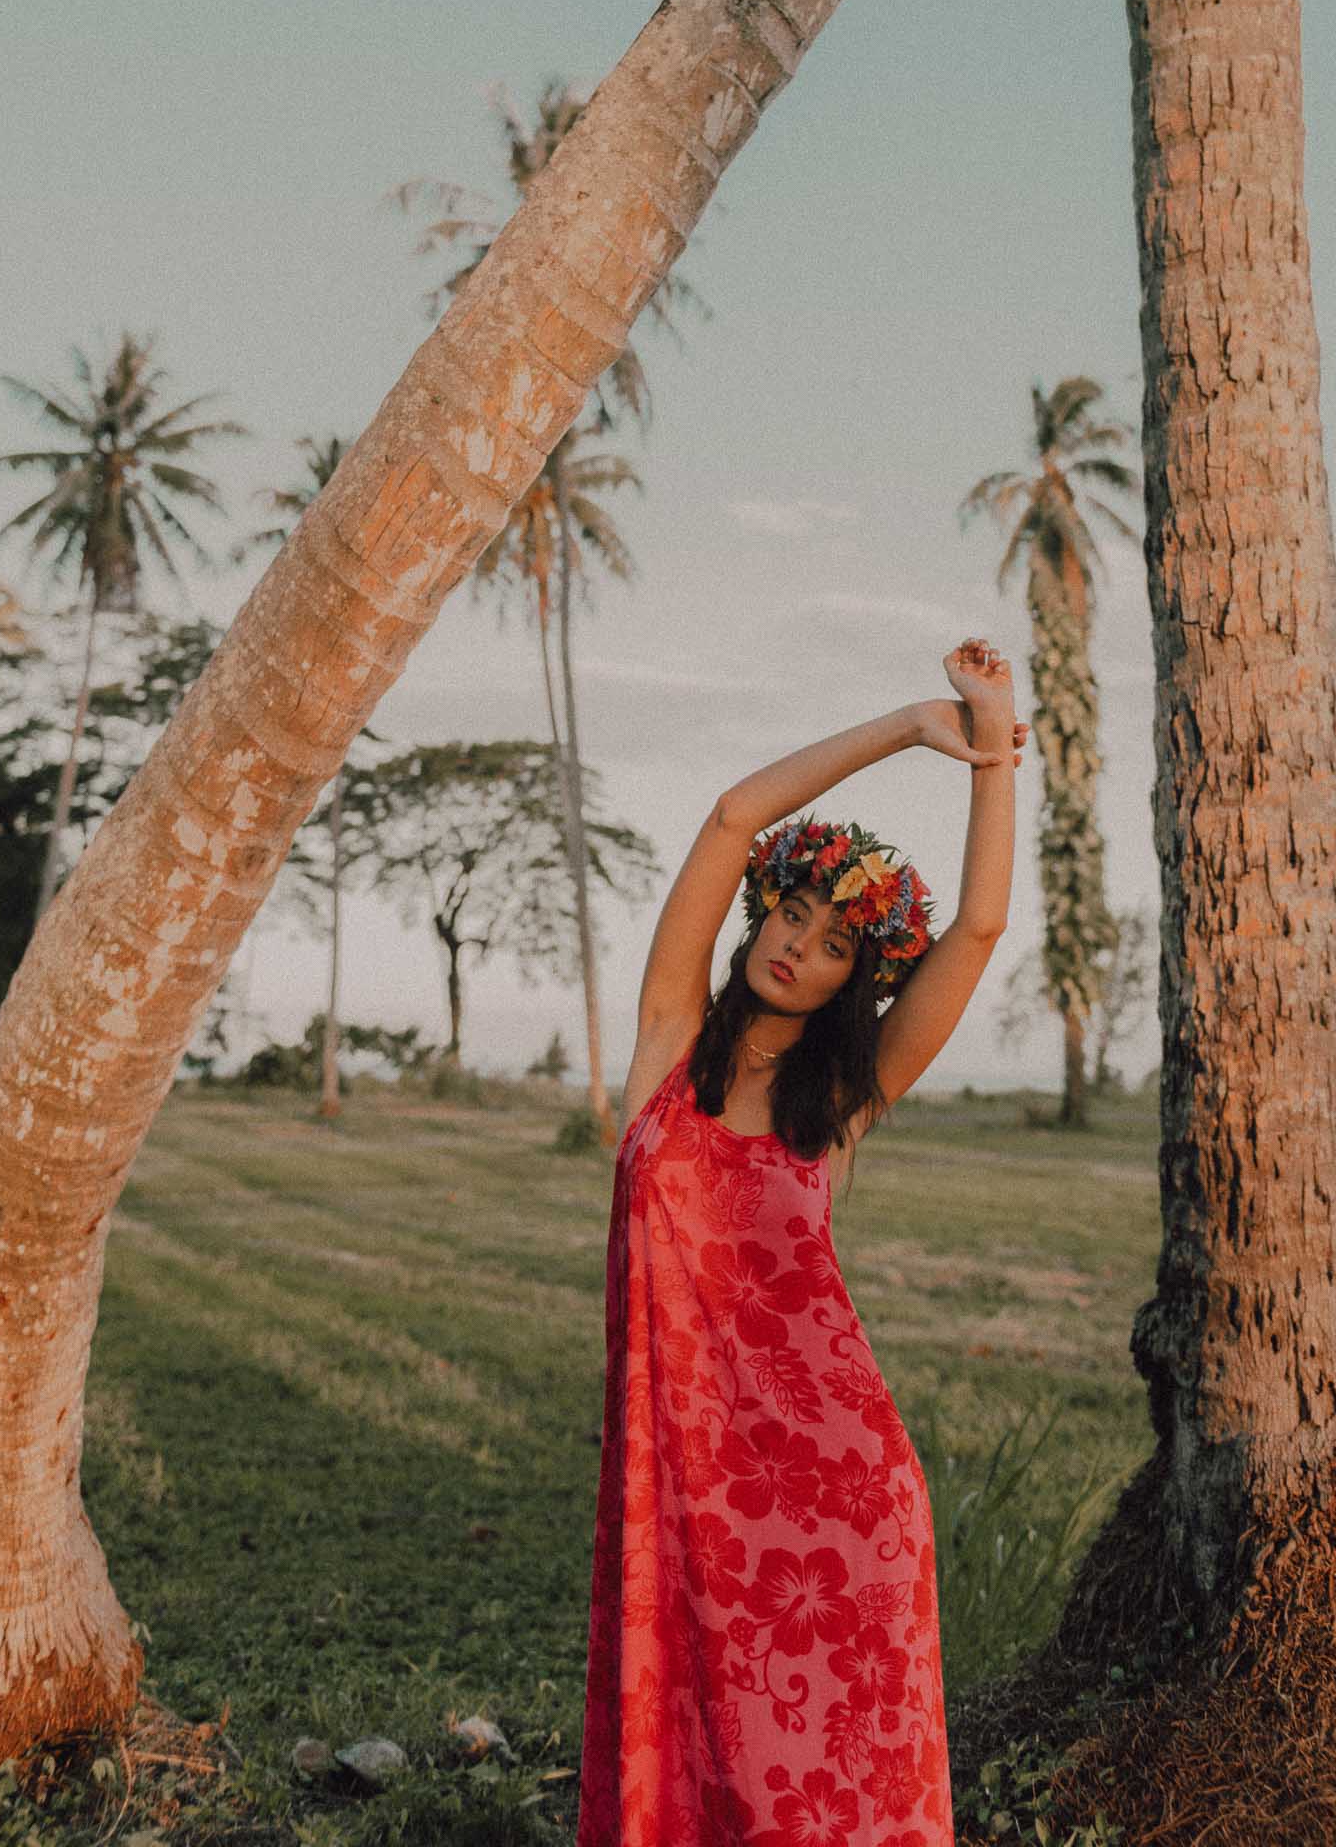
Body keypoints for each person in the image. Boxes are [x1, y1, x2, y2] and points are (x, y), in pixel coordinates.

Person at [577, 636, 1022, 1846]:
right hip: (685, 1484)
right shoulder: (670, 1049)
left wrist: (990, 745)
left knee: (827, 1794)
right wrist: (901, 727)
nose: (798, 947)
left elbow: (977, 932)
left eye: (835, 943)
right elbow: (730, 817)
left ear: (854, 977)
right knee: (707, 1761)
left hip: (838, 1498)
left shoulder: (842, 1099)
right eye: (792, 914)